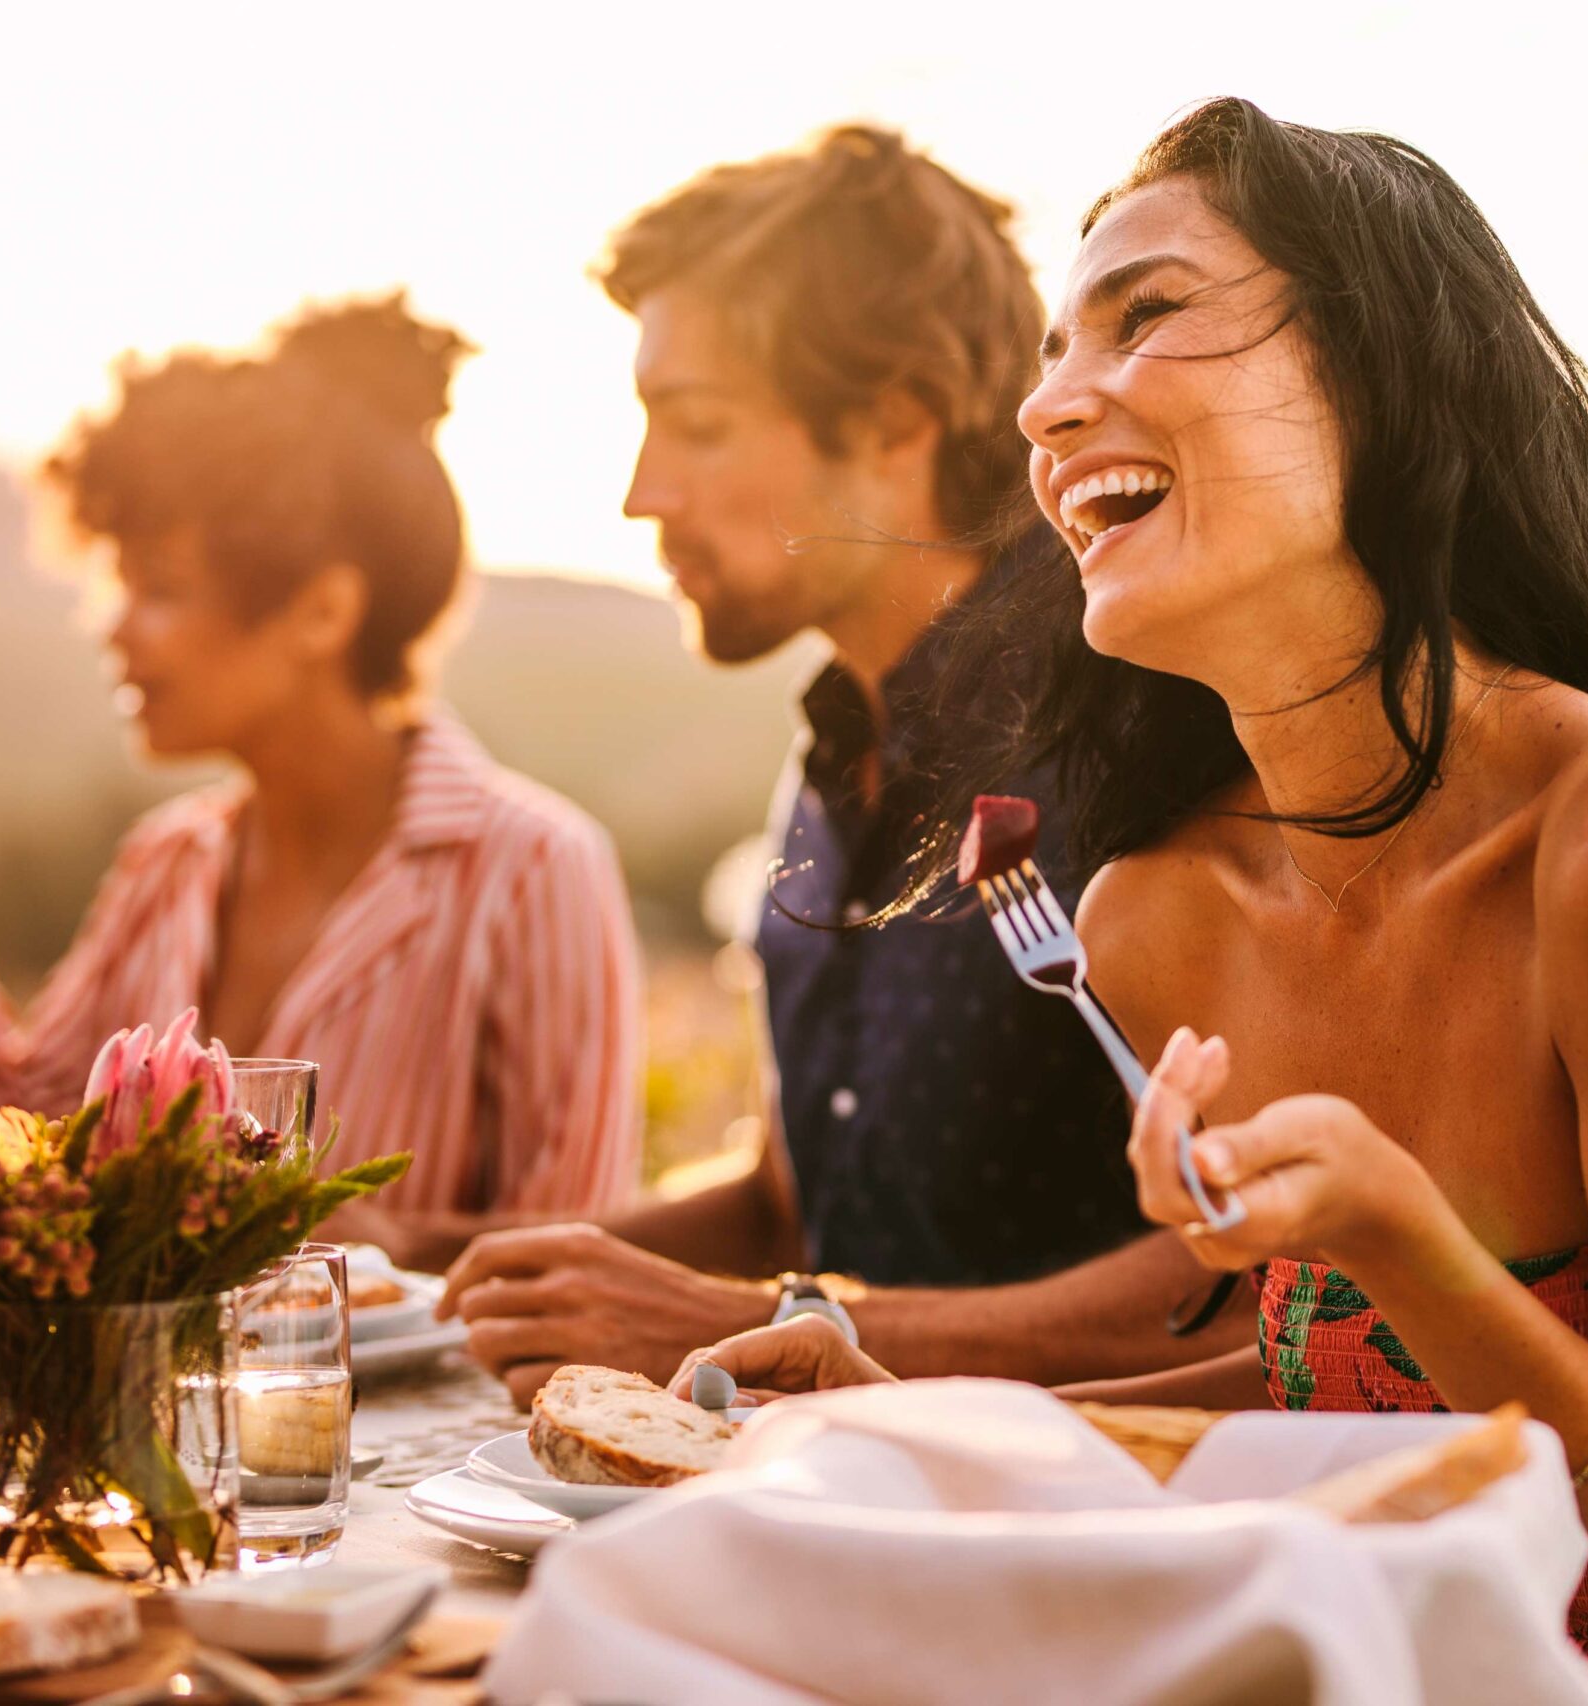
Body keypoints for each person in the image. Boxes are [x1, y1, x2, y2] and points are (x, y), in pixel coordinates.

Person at [688, 102, 1588, 1702]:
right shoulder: (1161, 915)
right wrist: (900, 1390)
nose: (1048, 406)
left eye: (1150, 312)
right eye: (1052, 353)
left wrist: (1397, 1231)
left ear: (1380, 373)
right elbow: (1363, 1388)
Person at [438, 127, 1253, 1407]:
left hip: (1091, 1535)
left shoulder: (1152, 726)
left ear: (894, 423)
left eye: (693, 424)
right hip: (834, 1507)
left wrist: (776, 1317)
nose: (641, 492)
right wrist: (450, 1268)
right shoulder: (830, 754)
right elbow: (790, 1195)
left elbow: (1259, 1269)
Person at [0, 296, 643, 1262]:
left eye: (161, 587)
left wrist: (382, 1240)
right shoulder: (167, 861)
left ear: (321, 611)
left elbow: (579, 1265)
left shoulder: (533, 869)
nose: (112, 625)